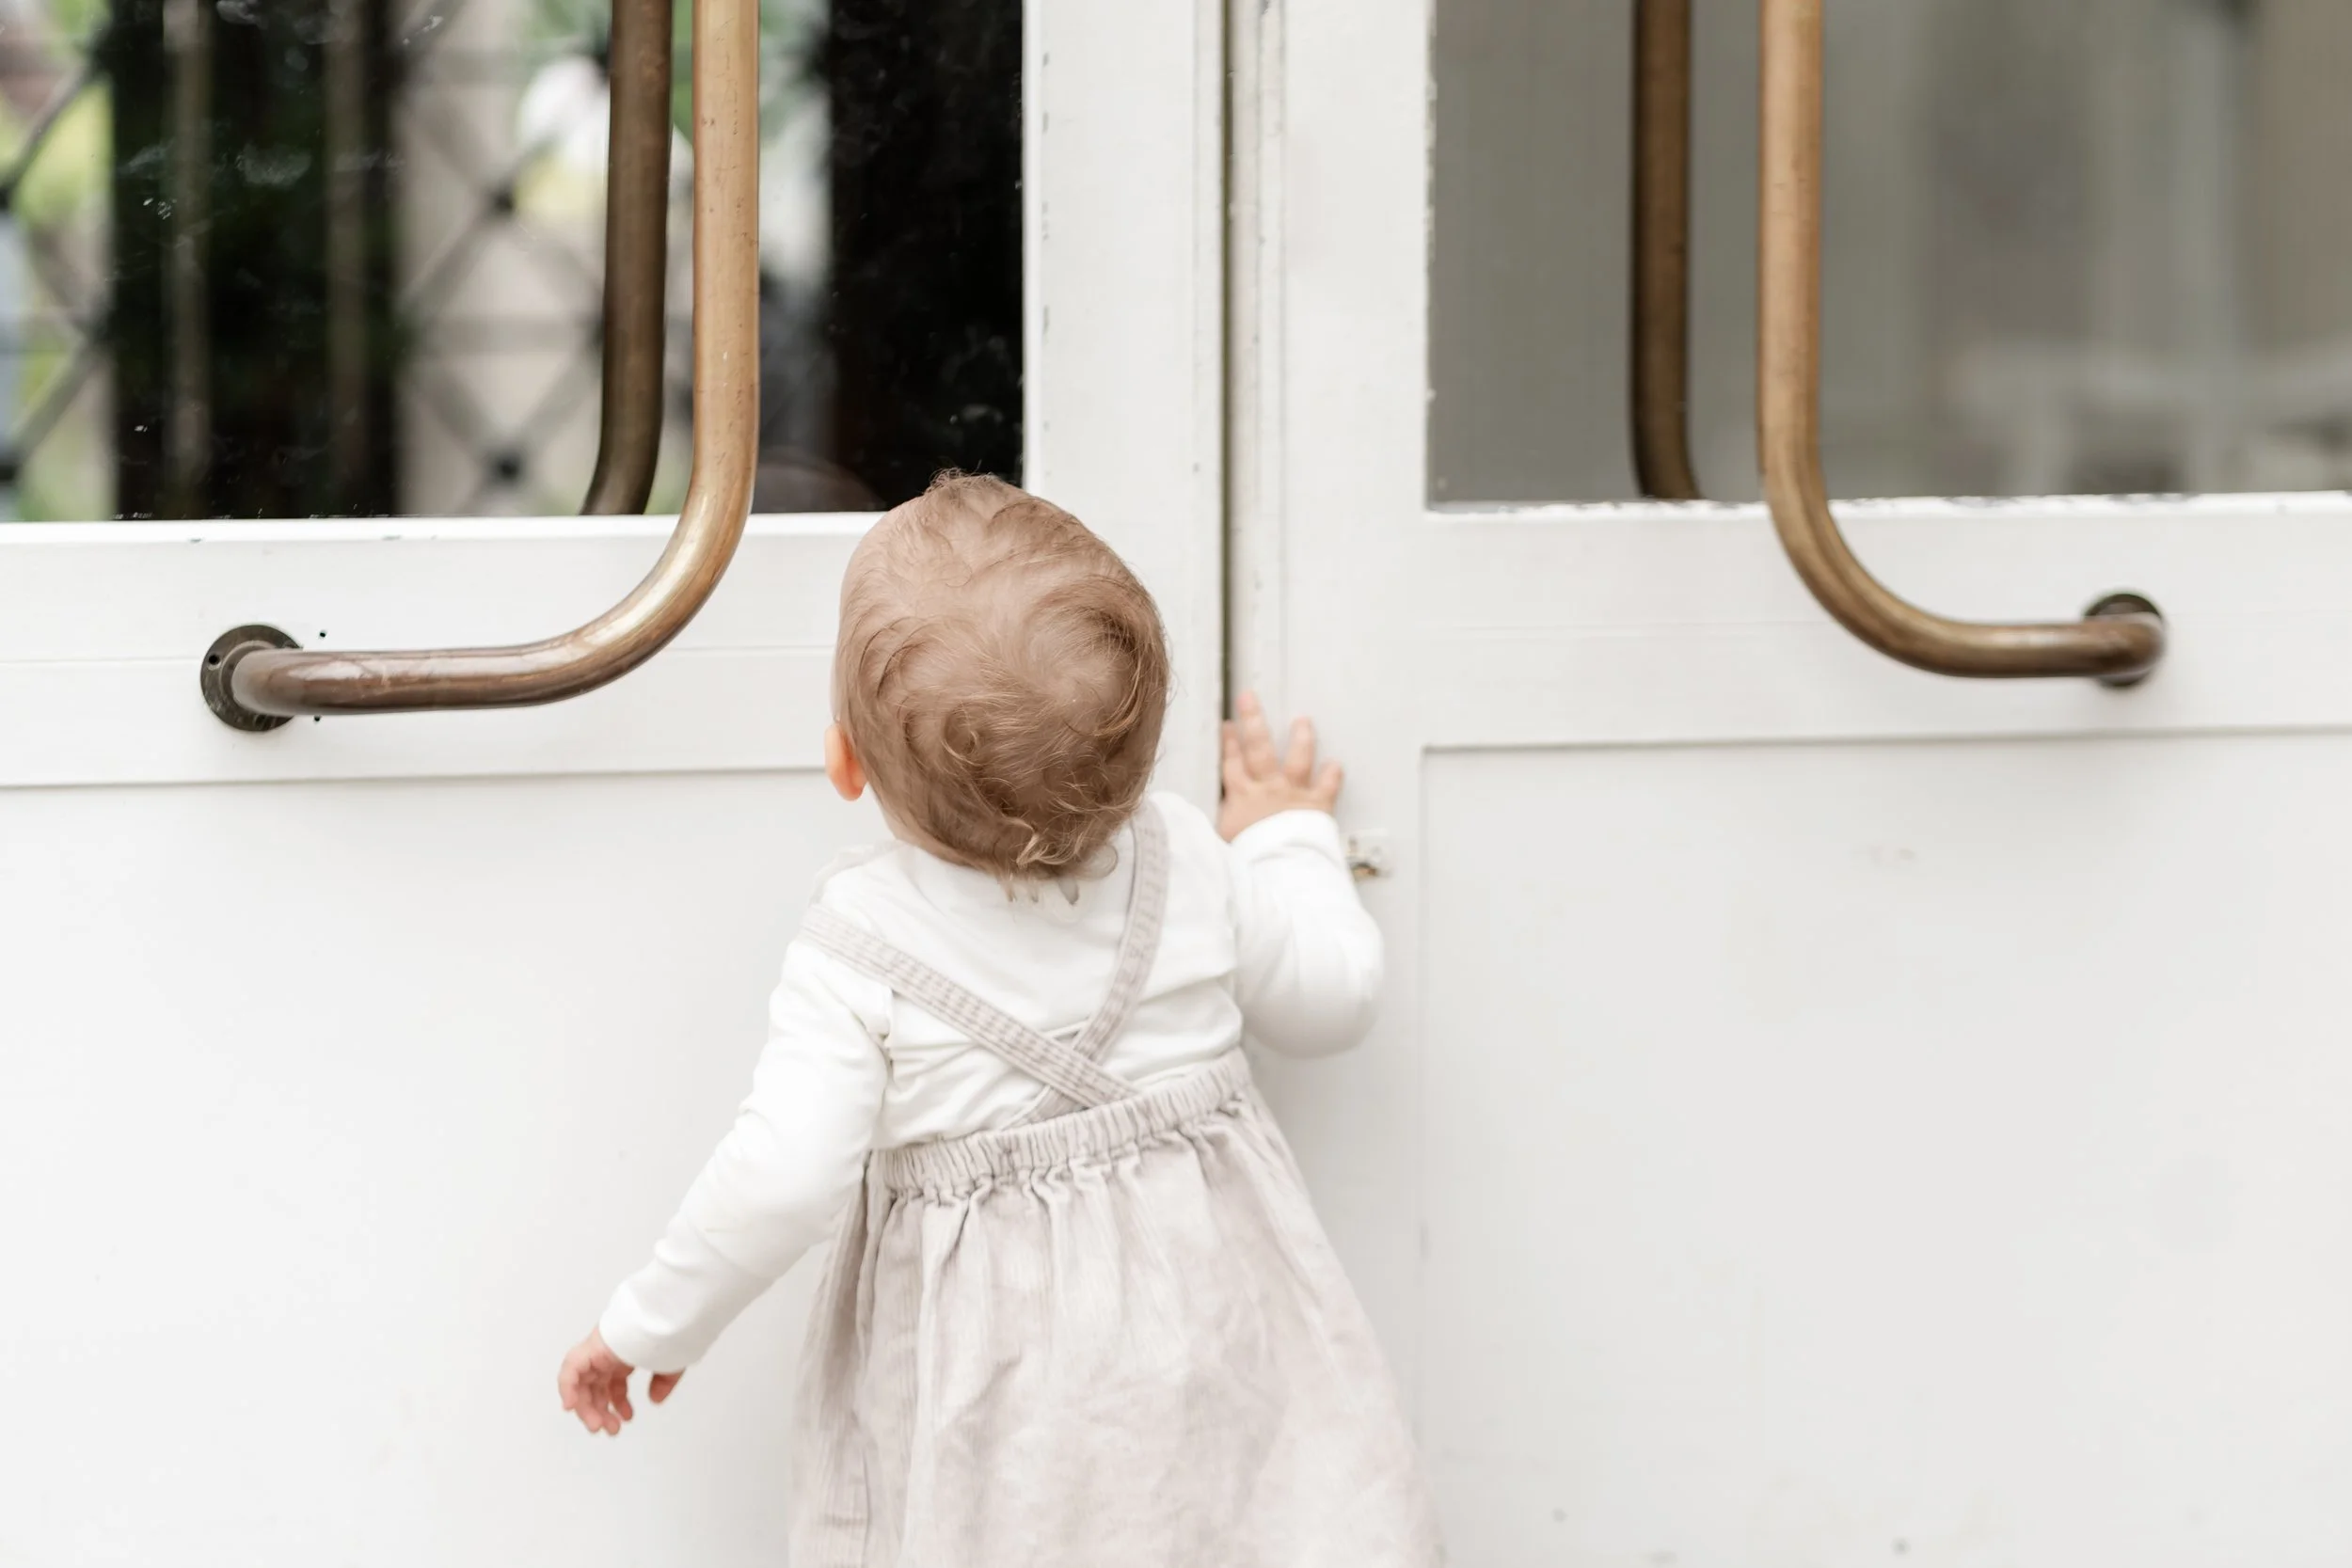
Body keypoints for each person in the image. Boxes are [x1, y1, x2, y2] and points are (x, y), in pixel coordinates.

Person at [557, 473, 1443, 1565]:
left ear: (842, 761)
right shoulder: (1189, 856)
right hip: (1216, 1337)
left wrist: (652, 1322)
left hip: (1002, 1392)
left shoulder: (860, 940)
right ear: (1141, 758)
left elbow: (782, 1176)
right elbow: (1332, 996)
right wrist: (1286, 836)